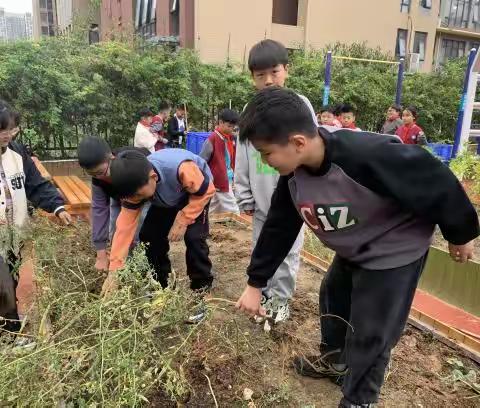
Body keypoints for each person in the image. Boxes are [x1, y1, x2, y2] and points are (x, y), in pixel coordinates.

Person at [235, 87, 479, 408]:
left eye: (266, 153)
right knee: (333, 297)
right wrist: (256, 283)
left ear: (297, 142)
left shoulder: (365, 155)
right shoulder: (294, 176)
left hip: (395, 250)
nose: (264, 161)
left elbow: (433, 177)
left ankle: (359, 399)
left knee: (371, 331)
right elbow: (279, 228)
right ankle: (336, 362)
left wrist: (459, 231)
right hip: (355, 247)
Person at [235, 39, 315, 324]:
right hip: (261, 201)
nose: (268, 81)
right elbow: (242, 155)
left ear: (287, 71)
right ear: (252, 77)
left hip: (293, 201)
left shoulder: (299, 105)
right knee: (262, 249)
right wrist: (243, 194)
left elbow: (312, 151)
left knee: (288, 254)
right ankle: (263, 297)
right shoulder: (250, 111)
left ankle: (279, 302)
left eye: (275, 72)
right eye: (260, 75)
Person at [103, 149, 215, 317]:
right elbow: (124, 229)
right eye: (133, 197)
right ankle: (163, 287)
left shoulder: (182, 168)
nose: (137, 200)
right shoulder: (136, 189)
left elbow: (207, 190)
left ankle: (201, 291)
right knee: (149, 236)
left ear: (153, 177)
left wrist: (183, 218)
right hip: (165, 198)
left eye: (139, 195)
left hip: (197, 193)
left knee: (194, 238)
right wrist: (114, 270)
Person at [0, 101, 72, 334]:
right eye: (2, 130)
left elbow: (36, 185)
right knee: (3, 287)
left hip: (14, 234)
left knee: (11, 279)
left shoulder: (17, 153)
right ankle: (9, 332)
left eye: (11, 129)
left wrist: (57, 207)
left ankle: (9, 328)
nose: (7, 135)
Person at [77, 137, 150, 272]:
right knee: (115, 231)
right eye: (92, 175)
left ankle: (143, 266)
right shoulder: (98, 179)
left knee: (139, 230)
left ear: (111, 158)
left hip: (143, 194)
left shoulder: (131, 165)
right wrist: (101, 254)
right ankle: (120, 267)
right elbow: (99, 210)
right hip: (118, 196)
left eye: (100, 172)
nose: (99, 178)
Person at [200, 109, 240, 215]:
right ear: (221, 122)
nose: (231, 129)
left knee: (214, 208)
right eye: (229, 126)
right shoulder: (212, 138)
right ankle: (239, 229)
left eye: (233, 126)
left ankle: (208, 228)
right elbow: (202, 160)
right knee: (233, 208)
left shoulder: (229, 138)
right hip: (219, 179)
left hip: (225, 177)